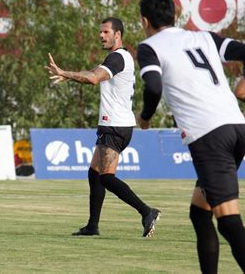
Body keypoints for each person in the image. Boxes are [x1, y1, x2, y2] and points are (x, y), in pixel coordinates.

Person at [136, 0, 245, 273]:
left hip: (210, 136)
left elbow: (153, 87)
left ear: (144, 21)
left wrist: (145, 117)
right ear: (174, 17)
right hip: (236, 129)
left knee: (229, 222)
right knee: (200, 214)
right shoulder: (203, 37)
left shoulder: (149, 47)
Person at [46, 17, 161, 238]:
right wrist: (69, 77)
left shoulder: (118, 57)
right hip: (115, 125)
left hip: (115, 126)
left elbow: (92, 79)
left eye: (106, 32)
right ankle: (92, 226)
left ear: (117, 34)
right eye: (100, 32)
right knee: (94, 174)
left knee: (106, 177)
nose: (101, 35)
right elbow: (92, 74)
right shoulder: (116, 58)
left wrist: (64, 72)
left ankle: (147, 212)